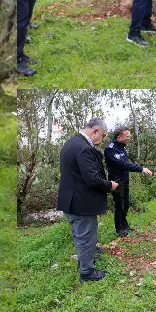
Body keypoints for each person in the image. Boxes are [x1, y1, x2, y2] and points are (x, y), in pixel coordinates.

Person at [56, 117, 119, 282]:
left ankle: (87, 256)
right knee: (85, 236)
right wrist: (110, 185)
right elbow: (93, 179)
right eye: (103, 136)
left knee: (80, 234)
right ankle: (87, 272)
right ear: (95, 131)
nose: (103, 140)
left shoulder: (72, 143)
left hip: (70, 200)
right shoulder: (83, 148)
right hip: (80, 203)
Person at [104, 126, 153, 237]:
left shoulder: (123, 147)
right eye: (127, 136)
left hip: (125, 180)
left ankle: (125, 224)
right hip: (116, 182)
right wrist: (140, 168)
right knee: (119, 205)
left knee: (126, 204)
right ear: (119, 136)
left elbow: (126, 162)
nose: (129, 138)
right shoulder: (110, 149)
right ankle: (119, 228)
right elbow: (122, 164)